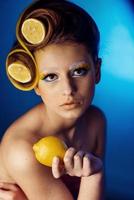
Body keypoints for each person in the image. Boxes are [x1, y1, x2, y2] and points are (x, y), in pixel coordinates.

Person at [0, 0, 106, 199]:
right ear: (35, 85)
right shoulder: (22, 149)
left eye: (78, 71)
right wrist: (94, 176)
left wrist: (95, 172)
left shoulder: (96, 121)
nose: (68, 90)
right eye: (50, 77)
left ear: (97, 71)